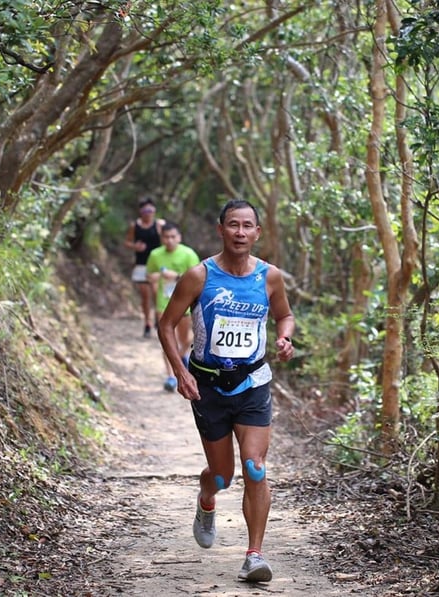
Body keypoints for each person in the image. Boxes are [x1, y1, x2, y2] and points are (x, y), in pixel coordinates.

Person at [157, 199, 295, 584]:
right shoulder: (199, 276)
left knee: (255, 466)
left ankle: (254, 556)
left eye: (247, 225)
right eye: (232, 224)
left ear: (257, 232)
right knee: (222, 475)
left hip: (253, 382)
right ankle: (207, 500)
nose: (239, 232)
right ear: (221, 229)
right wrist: (180, 371)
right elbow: (166, 325)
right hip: (209, 387)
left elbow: (284, 314)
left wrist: (285, 338)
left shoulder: (270, 277)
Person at [146, 222, 201, 392]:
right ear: (161, 238)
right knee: (167, 339)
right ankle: (171, 376)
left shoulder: (188, 254)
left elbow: (199, 279)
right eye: (166, 237)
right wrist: (156, 278)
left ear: (179, 237)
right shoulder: (155, 254)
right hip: (164, 301)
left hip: (185, 303)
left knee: (185, 340)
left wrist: (176, 276)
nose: (169, 240)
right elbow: (150, 275)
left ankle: (182, 355)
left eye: (172, 237)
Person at [124, 196, 165, 337]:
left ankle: (158, 319)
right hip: (141, 264)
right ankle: (147, 322)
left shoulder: (159, 225)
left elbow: (168, 240)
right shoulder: (134, 226)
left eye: (151, 210)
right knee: (145, 296)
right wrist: (135, 246)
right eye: (145, 210)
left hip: (158, 265)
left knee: (156, 293)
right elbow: (127, 242)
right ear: (140, 211)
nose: (148, 213)